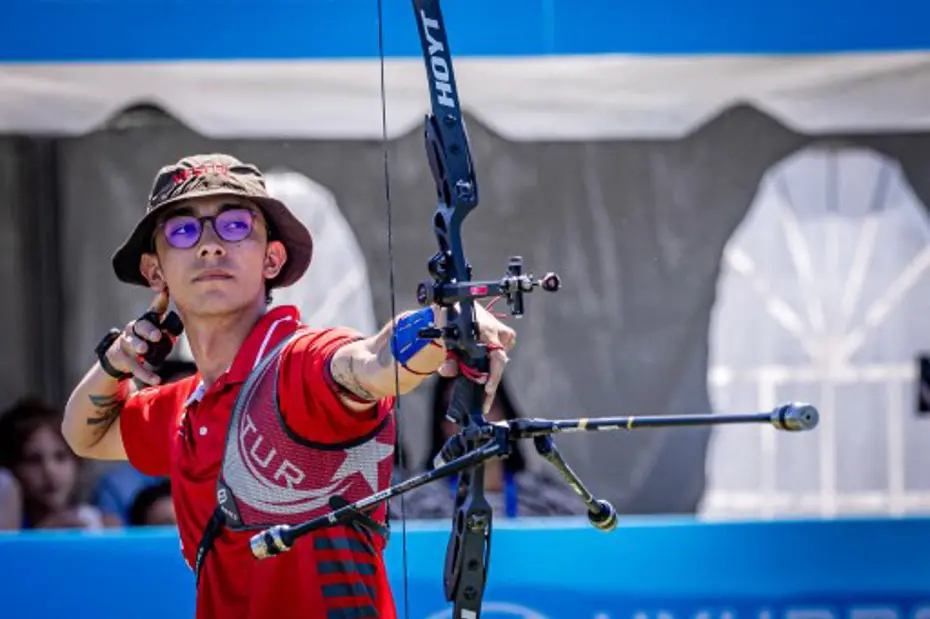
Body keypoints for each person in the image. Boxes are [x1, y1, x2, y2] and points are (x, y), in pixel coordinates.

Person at [61, 154, 516, 619]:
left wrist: (443, 326)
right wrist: (115, 361)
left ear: (271, 259)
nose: (211, 246)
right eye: (183, 230)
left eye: (236, 226)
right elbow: (86, 435)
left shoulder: (300, 363)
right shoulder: (183, 407)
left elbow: (372, 361)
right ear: (155, 272)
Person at [396, 376, 589, 520]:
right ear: (442, 426)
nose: (473, 421)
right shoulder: (414, 503)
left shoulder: (547, 497)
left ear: (507, 415)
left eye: (485, 405)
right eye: (457, 409)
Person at [0, 397, 105, 530]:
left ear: (77, 463)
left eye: (61, 457)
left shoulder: (102, 525)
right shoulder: (8, 530)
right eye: (33, 460)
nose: (49, 471)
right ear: (13, 467)